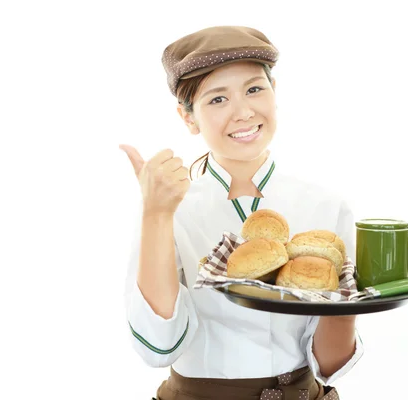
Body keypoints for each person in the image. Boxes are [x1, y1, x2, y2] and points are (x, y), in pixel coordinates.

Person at [119, 26, 363, 400]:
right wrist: (155, 214)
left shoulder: (326, 208)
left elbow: (330, 364)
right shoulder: (169, 208)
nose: (244, 112)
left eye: (254, 89)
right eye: (217, 99)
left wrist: (346, 304)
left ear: (274, 92)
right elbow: (157, 347)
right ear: (189, 118)